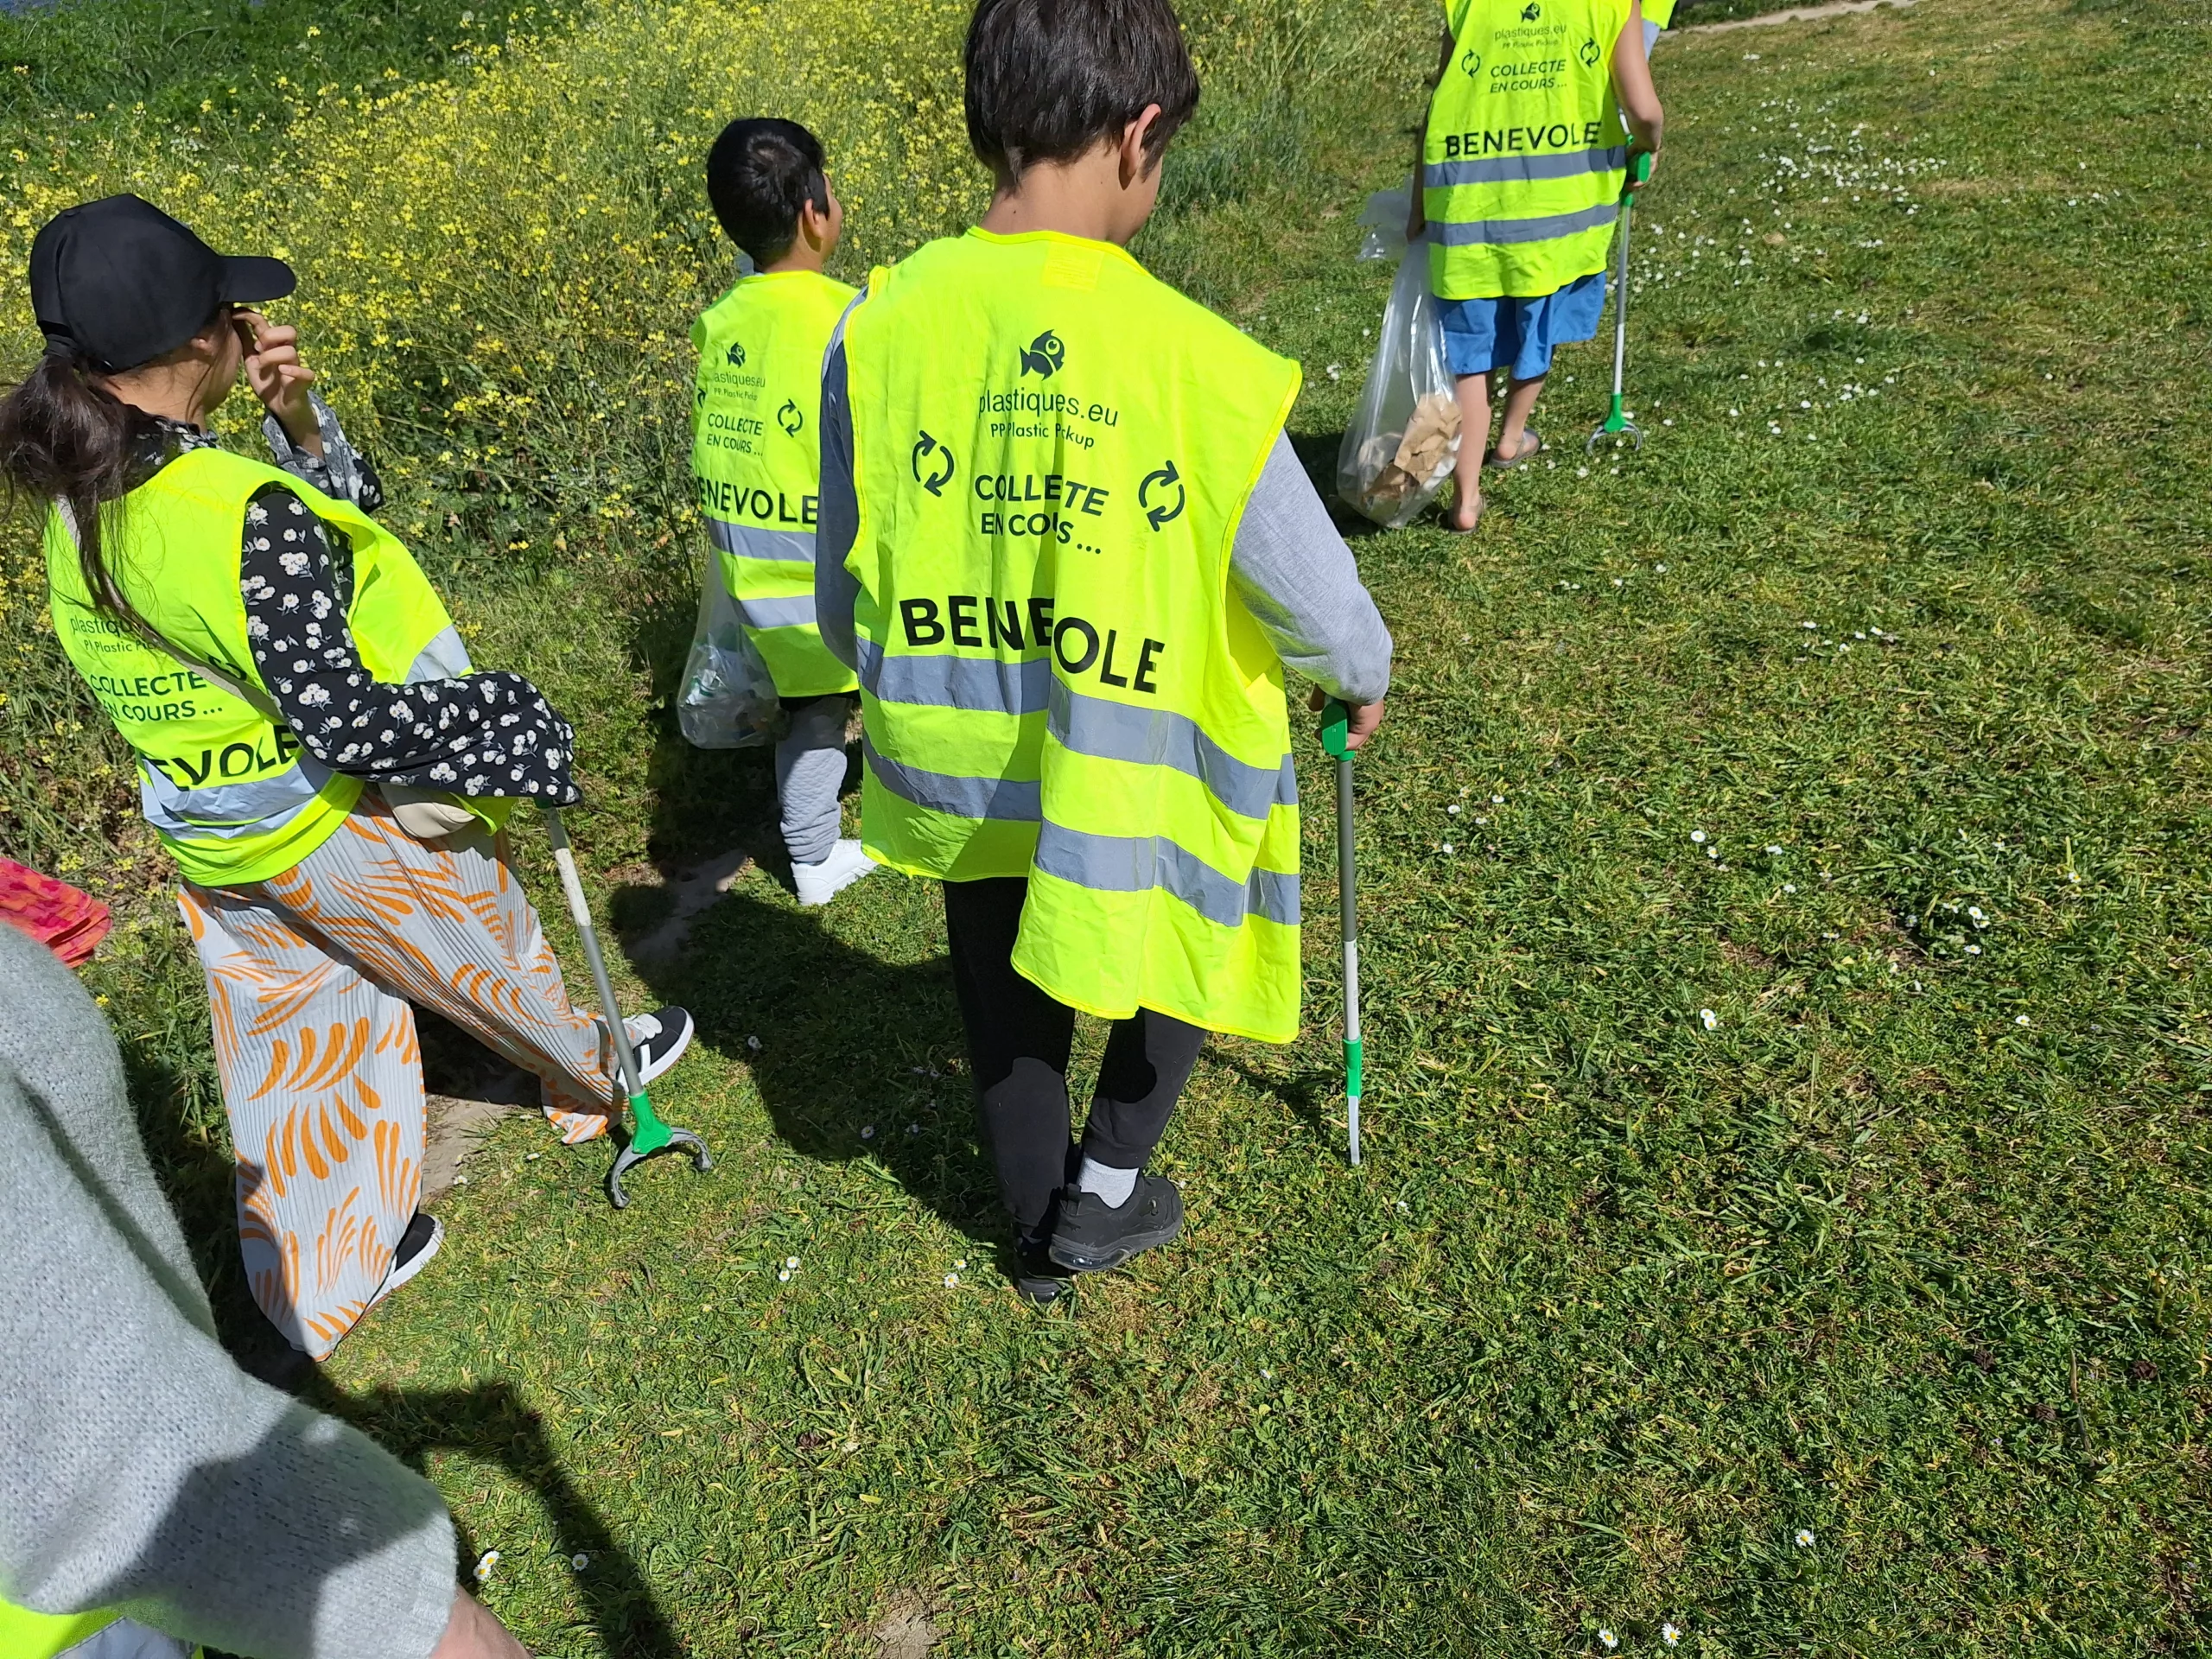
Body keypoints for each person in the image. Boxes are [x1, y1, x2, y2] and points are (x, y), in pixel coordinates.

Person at [0, 194, 693, 1359]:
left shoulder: (86, 491)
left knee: (295, 1053)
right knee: (482, 946)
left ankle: (331, 1264)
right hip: (324, 821)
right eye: (233, 309)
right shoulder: (236, 512)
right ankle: (597, 1074)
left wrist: (300, 425)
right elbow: (350, 713)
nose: (247, 325)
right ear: (191, 341)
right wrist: (504, 726)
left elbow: (289, 578)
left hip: (215, 839)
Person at [817, 0, 1393, 1303]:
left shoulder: (876, 327)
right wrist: (1361, 668)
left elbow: (847, 576)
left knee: (1000, 979)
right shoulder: (1192, 359)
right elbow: (1311, 594)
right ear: (1138, 135)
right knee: (1181, 925)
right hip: (1132, 762)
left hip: (961, 755)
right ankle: (1110, 1188)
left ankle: (1035, 1235)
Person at [0, 922, 529, 1659]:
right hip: (64, 1600)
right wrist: (410, 1614)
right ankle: (342, 1266)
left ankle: (343, 1264)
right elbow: (72, 1425)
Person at [690, 118, 875, 906]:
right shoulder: (846, 317)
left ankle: (815, 846)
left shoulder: (725, 317)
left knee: (813, 702)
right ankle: (814, 860)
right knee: (820, 712)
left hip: (749, 560)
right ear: (814, 212)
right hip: (816, 562)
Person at [1408, 0, 1664, 531]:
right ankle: (1509, 438)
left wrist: (1419, 201)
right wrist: (1649, 146)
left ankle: (1467, 497)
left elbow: (1442, 100)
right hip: (1558, 213)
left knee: (1470, 353)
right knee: (1538, 325)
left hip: (1468, 205)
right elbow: (1643, 109)